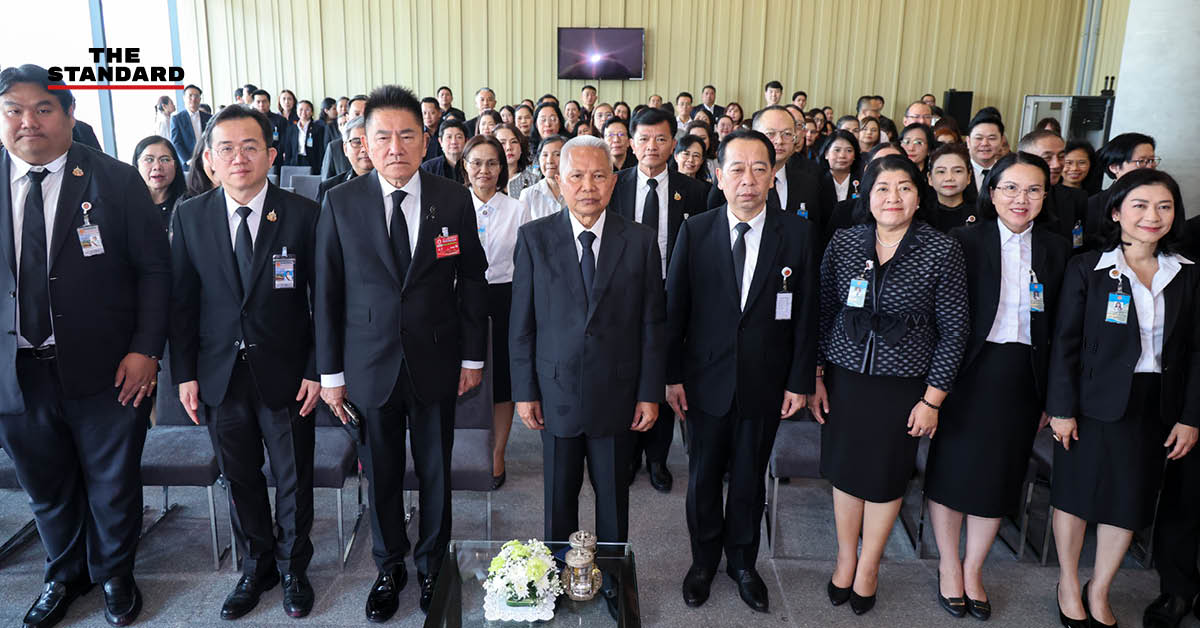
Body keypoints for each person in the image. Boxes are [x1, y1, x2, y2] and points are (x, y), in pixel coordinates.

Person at [0, 64, 169, 628]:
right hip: (15, 371)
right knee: (45, 483)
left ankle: (115, 572)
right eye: (13, 110)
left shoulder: (115, 180)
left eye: (44, 108)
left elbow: (154, 270)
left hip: (109, 366)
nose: (28, 121)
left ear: (70, 115)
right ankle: (64, 574)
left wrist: (147, 348)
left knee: (112, 480)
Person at [315, 85, 488, 619]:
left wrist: (472, 359)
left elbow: (472, 281)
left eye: (407, 135)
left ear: (424, 138)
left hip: (436, 361)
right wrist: (331, 374)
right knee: (382, 472)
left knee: (436, 468)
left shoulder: (452, 198)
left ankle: (433, 562)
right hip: (369, 366)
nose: (396, 147)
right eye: (383, 136)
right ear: (364, 141)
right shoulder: (341, 201)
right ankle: (389, 567)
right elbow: (326, 292)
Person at [169, 104, 321, 621]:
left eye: (251, 146)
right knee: (240, 476)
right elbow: (182, 303)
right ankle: (256, 565)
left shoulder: (302, 213)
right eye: (226, 149)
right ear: (210, 160)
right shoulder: (190, 215)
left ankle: (294, 566)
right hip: (218, 373)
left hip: (287, 372)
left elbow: (323, 300)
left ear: (272, 155)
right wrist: (185, 372)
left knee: (294, 476)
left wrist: (317, 368)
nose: (239, 158)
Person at [509, 134, 665, 619]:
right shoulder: (534, 238)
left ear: (614, 180)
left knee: (613, 496)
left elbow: (652, 325)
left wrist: (648, 392)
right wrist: (523, 393)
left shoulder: (638, 240)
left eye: (599, 175)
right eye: (576, 176)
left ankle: (615, 578)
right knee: (558, 496)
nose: (588, 186)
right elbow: (522, 325)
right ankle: (557, 576)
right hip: (554, 392)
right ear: (558, 180)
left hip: (617, 392)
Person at [810, 154, 969, 617]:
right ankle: (845, 557)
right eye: (882, 188)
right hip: (845, 379)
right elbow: (823, 312)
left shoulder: (942, 250)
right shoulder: (844, 242)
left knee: (883, 477)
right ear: (866, 194)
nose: (892, 197)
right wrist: (817, 374)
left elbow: (955, 328)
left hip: (904, 386)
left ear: (919, 196)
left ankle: (870, 566)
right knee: (844, 471)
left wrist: (932, 399)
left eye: (903, 188)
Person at [668, 129, 817, 613]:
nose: (748, 180)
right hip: (704, 382)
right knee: (704, 478)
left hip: (766, 382)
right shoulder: (696, 230)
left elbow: (806, 314)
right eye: (737, 169)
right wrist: (671, 376)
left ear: (773, 177)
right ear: (718, 174)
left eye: (759, 169)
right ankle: (702, 562)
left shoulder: (795, 234)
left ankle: (744, 563)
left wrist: (799, 380)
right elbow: (676, 313)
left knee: (751, 478)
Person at [1045, 168, 1200, 628]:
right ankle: (1069, 583)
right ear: (1116, 212)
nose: (1152, 215)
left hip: (1155, 404)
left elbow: (1195, 351)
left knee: (1128, 500)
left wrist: (1190, 416)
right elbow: (1064, 344)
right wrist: (1060, 408)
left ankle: (1101, 587)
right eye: (1140, 205)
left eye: (1164, 206)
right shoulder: (1088, 268)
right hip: (1091, 402)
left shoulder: (1187, 275)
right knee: (1074, 496)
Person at [923, 152, 1070, 621]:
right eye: (1010, 188)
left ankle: (974, 569)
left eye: (1033, 190)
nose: (1021, 199)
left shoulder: (1058, 248)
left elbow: (1063, 329)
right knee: (952, 469)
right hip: (967, 371)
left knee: (1000, 475)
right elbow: (941, 319)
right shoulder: (962, 241)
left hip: (1023, 374)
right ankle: (949, 565)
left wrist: (1053, 394)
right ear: (992, 191)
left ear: (1045, 196)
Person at [608, 108, 708, 492]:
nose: (652, 146)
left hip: (672, 294)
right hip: (622, 295)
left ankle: (658, 459)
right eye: (644, 139)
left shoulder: (695, 191)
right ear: (631, 143)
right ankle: (629, 453)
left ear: (673, 144)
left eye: (661, 139)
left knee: (665, 374)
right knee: (627, 372)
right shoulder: (614, 185)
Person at [459, 135, 529, 490]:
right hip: (459, 298)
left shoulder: (517, 209)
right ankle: (461, 449)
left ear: (502, 168)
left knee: (502, 381)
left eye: (491, 163)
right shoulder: (451, 205)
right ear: (465, 166)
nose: (483, 170)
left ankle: (498, 452)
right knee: (462, 376)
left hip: (505, 299)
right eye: (476, 163)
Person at [737, 106, 825, 230]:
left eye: (787, 134)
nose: (779, 141)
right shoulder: (734, 180)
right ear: (755, 136)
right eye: (770, 134)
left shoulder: (808, 184)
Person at [1020, 129, 1088, 248]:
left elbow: (1078, 242)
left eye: (1061, 157)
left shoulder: (1077, 199)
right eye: (1047, 158)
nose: (1056, 164)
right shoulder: (1007, 198)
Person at [1086, 132, 1159, 241]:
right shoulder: (1095, 204)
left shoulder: (1165, 200)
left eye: (1151, 160)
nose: (1149, 167)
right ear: (1114, 167)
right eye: (1141, 161)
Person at [132, 135, 186, 231]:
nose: (157, 166)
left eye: (165, 159)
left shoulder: (189, 205)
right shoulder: (125, 207)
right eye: (149, 159)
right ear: (137, 165)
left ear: (175, 165)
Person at [316, 115, 373, 205]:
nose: (364, 149)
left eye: (369, 142)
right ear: (345, 149)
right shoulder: (329, 189)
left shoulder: (394, 185)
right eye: (357, 142)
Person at [926, 143, 975, 232]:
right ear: (930, 178)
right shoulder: (920, 216)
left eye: (957, 171)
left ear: (968, 177)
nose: (949, 178)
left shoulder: (982, 215)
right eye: (941, 171)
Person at [520, 135, 566, 220]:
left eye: (557, 154)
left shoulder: (576, 190)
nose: (549, 160)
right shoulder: (528, 195)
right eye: (545, 155)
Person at [320, 95, 366, 179]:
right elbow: (326, 183)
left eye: (366, 114)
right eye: (357, 114)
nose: (362, 118)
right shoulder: (334, 148)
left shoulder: (382, 145)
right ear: (347, 118)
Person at [170, 84, 212, 172]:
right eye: (190, 96)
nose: (193, 99)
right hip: (189, 164)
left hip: (207, 160)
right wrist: (188, 160)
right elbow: (176, 142)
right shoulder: (177, 119)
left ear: (200, 99)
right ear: (184, 98)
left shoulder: (209, 118)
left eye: (196, 96)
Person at [250, 90, 290, 171]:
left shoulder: (280, 120)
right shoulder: (249, 121)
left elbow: (284, 141)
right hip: (254, 158)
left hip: (275, 158)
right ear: (253, 103)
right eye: (258, 102)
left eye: (264, 101)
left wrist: (272, 154)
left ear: (269, 103)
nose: (261, 105)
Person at [284, 99, 326, 175]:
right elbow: (288, 150)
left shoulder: (318, 128)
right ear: (296, 111)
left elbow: (320, 150)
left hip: (312, 162)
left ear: (312, 112)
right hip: (295, 162)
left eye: (307, 110)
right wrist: (288, 164)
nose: (303, 112)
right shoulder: (291, 129)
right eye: (301, 109)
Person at [495, 123, 537, 198]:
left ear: (521, 147)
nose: (509, 147)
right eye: (502, 143)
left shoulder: (534, 181)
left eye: (514, 142)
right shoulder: (487, 179)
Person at [820, 129, 862, 203]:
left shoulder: (862, 180)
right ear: (826, 154)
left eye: (849, 150)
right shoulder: (817, 180)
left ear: (855, 155)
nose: (842, 155)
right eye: (837, 150)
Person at [966, 115, 1004, 195]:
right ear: (968, 141)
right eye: (979, 138)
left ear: (1001, 141)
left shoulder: (1006, 172)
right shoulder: (959, 171)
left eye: (992, 138)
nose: (985, 143)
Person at [420, 96, 445, 162]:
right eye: (424, 113)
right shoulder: (418, 133)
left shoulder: (446, 131)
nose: (427, 117)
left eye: (432, 113)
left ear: (439, 113)